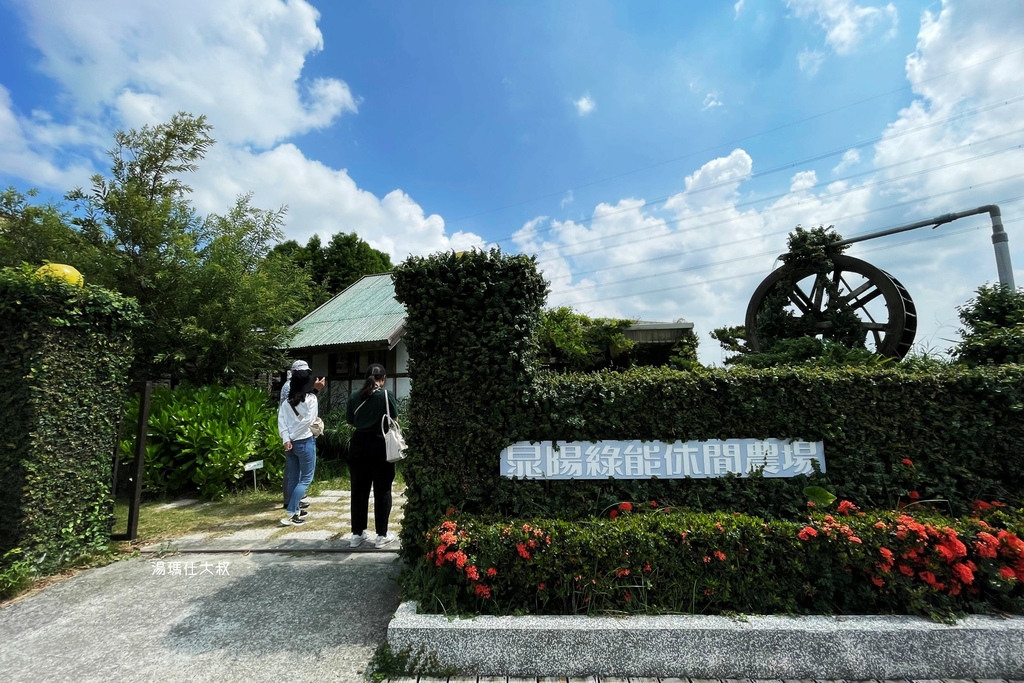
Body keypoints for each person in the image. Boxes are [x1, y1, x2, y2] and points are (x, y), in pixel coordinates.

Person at [345, 363, 399, 549]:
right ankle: (381, 535)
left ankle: (356, 534)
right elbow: (395, 419)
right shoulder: (386, 395)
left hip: (358, 444)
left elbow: (351, 422)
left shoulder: (354, 396)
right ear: (383, 379)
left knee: (359, 490)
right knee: (382, 489)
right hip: (380, 443)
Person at [279, 360, 324, 510]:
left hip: (290, 443)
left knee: (293, 478)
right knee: (305, 478)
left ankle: (293, 510)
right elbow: (308, 421)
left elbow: (282, 420)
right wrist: (292, 436)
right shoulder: (311, 398)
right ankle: (292, 508)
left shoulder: (286, 400)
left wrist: (287, 438)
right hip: (304, 441)